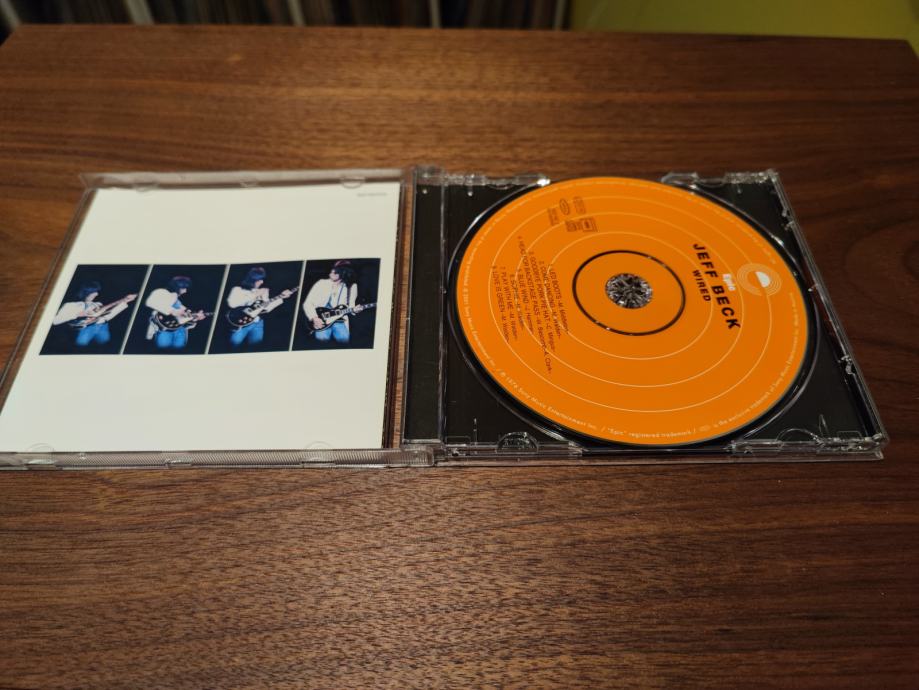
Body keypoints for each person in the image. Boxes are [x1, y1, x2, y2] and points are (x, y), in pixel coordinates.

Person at [52, 281, 136, 347]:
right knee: (82, 346)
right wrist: (77, 315)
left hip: (102, 327)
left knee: (105, 344)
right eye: (94, 291)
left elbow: (106, 308)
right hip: (85, 331)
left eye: (96, 291)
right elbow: (55, 321)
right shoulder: (71, 305)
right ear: (86, 291)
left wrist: (124, 299)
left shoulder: (97, 304)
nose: (97, 294)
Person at [225, 267, 293, 347]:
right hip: (240, 325)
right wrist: (255, 294)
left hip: (258, 324)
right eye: (259, 279)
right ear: (252, 279)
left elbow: (266, 308)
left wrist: (281, 297)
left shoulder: (263, 291)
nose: (262, 282)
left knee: (256, 347)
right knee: (234, 346)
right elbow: (232, 304)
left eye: (262, 279)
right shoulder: (237, 289)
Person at [301, 260, 363, 344]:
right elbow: (308, 303)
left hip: (339, 320)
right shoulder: (321, 283)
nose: (331, 273)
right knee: (321, 340)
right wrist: (314, 318)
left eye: (335, 272)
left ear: (343, 273)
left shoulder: (351, 287)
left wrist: (355, 310)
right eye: (332, 270)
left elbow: (351, 307)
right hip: (321, 319)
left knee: (344, 340)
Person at [145, 276, 205, 350]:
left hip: (180, 330)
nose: (185, 291)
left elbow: (184, 313)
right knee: (163, 351)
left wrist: (195, 317)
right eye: (184, 288)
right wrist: (172, 311)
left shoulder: (175, 298)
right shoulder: (161, 292)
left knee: (180, 351)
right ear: (176, 286)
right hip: (165, 330)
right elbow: (150, 302)